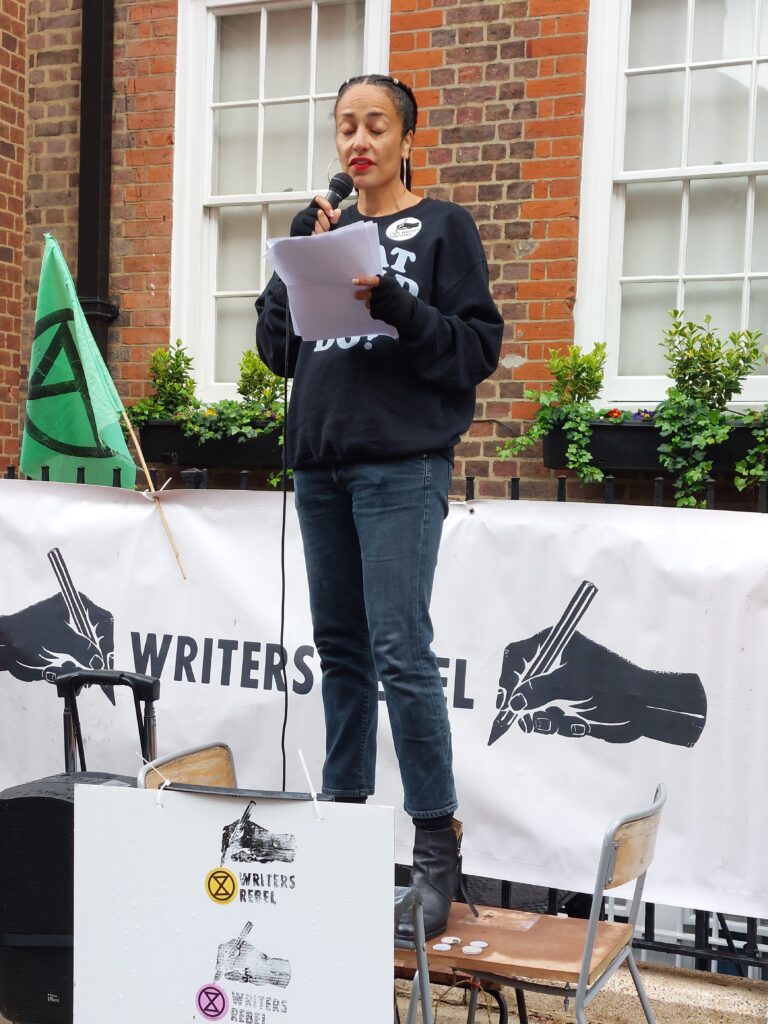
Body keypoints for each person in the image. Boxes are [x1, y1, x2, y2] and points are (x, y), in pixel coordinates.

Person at [256, 74, 503, 938]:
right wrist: (293, 266)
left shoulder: (442, 228)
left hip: (401, 467)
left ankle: (435, 852)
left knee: (402, 650)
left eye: (375, 126)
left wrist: (397, 304)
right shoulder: (325, 226)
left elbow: (476, 348)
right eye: (345, 128)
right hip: (321, 465)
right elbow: (280, 354)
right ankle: (345, 838)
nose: (358, 142)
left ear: (406, 138)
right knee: (343, 656)